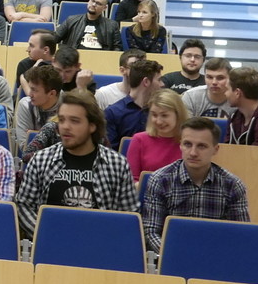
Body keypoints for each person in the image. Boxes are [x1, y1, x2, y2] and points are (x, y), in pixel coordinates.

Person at [14, 90, 137, 238]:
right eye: (61, 120)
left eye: (74, 121)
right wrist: (46, 234)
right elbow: (24, 205)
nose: (65, 126)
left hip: (99, 243)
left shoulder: (117, 165)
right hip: (50, 242)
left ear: (92, 126)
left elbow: (129, 216)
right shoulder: (41, 160)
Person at [138, 118, 249, 254]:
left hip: (216, 257)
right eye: (187, 144)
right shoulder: (160, 180)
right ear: (180, 145)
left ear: (215, 149)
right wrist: (175, 254)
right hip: (171, 256)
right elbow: (150, 232)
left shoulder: (232, 185)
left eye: (201, 146)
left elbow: (240, 235)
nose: (193, 153)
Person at [126, 88, 189, 178]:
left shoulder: (190, 142)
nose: (158, 121)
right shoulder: (139, 140)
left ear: (178, 115)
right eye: (154, 115)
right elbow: (132, 179)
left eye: (164, 115)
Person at [104, 58, 164, 148]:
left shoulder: (162, 111)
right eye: (159, 80)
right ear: (146, 82)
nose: (162, 84)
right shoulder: (112, 113)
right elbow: (110, 151)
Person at [55, 0, 121, 51]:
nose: (94, 4)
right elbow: (54, 38)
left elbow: (117, 48)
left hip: (101, 58)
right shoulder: (71, 20)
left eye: (98, 3)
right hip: (75, 57)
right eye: (92, 1)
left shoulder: (112, 26)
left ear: (104, 8)